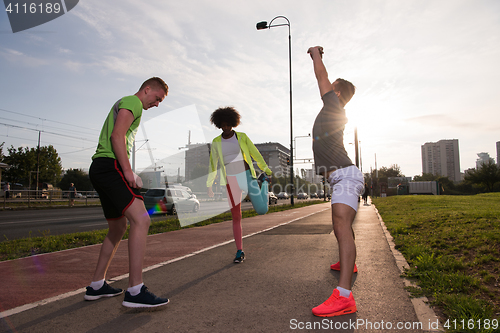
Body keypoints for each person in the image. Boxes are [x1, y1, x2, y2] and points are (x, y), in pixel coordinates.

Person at [85, 77, 170, 308]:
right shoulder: (132, 102)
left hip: (100, 167)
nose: (157, 104)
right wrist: (128, 172)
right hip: (110, 166)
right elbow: (117, 136)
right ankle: (135, 290)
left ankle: (96, 285)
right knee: (141, 219)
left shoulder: (128, 104)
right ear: (147, 89)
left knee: (118, 227)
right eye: (157, 98)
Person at [308, 46, 364, 317]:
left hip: (344, 175)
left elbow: (321, 77)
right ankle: (348, 263)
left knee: (341, 227)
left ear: (337, 92)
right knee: (342, 226)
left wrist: (315, 55)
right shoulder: (334, 109)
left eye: (332, 86)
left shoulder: (333, 104)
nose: (327, 86)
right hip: (342, 176)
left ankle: (343, 297)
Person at [206, 107, 272, 263]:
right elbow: (213, 165)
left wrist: (266, 170)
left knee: (262, 210)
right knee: (236, 216)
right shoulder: (216, 142)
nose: (226, 128)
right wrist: (209, 185)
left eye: (229, 125)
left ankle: (264, 184)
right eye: (223, 125)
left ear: (233, 123)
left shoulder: (241, 137)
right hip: (231, 180)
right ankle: (239, 251)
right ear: (219, 125)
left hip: (247, 176)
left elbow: (255, 154)